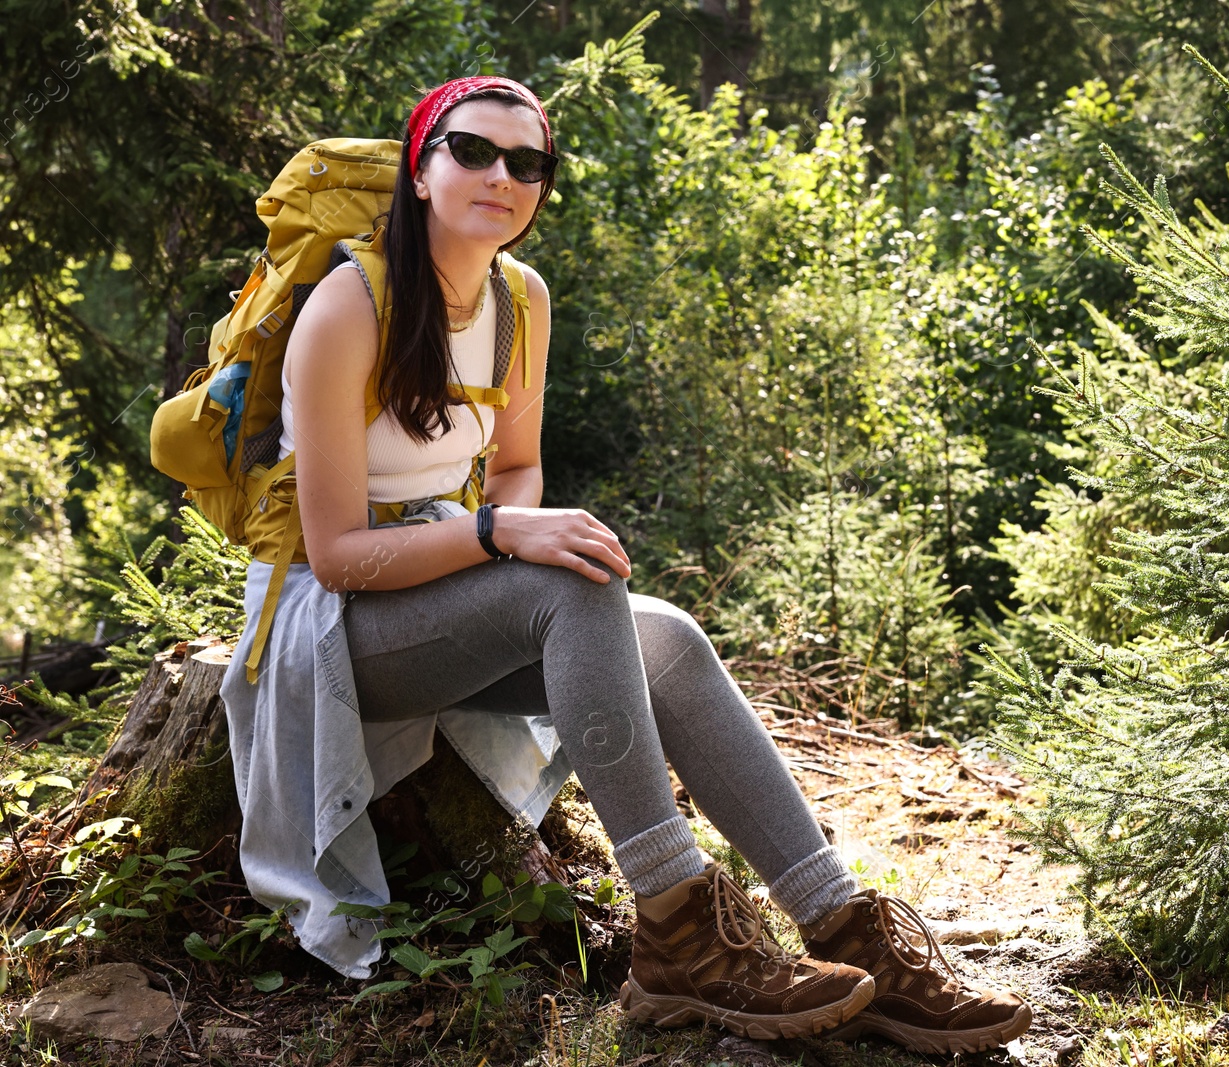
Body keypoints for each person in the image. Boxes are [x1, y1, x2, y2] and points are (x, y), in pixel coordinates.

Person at [226, 74, 1031, 1054]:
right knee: (571, 580)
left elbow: (515, 467)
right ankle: (679, 929)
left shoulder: (520, 301)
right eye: (472, 150)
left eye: (528, 163)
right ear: (421, 169)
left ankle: (846, 927)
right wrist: (493, 541)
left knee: (671, 638)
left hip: (445, 586)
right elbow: (337, 554)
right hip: (333, 628)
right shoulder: (349, 305)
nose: (501, 175)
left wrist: (499, 536)